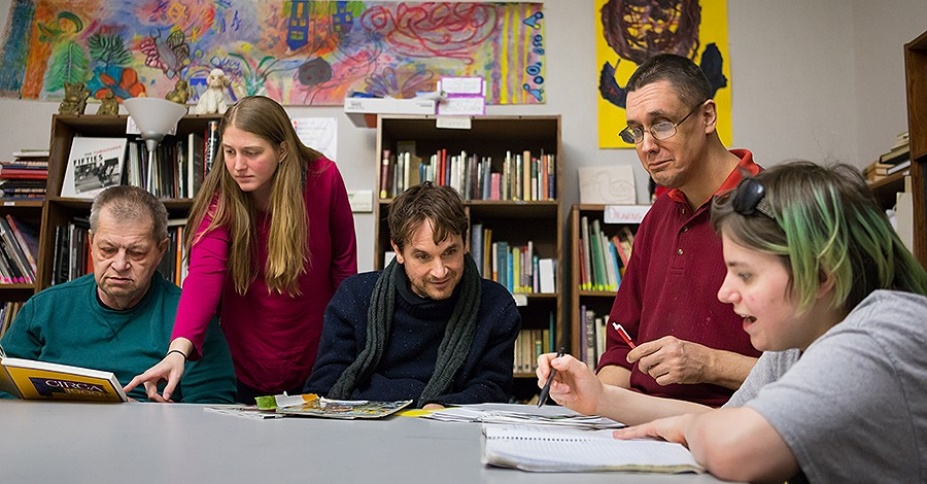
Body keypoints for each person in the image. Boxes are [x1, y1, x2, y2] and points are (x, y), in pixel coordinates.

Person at [544, 162, 927, 482]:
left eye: (745, 275)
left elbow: (734, 446)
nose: (725, 293)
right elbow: (725, 421)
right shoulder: (799, 341)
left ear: (822, 275)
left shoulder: (880, 335)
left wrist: (689, 429)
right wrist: (601, 397)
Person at [126, 96, 358, 403]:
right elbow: (204, 274)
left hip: (316, 351)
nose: (238, 165)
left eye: (251, 152)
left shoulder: (324, 177)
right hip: (243, 356)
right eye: (229, 151)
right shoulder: (220, 194)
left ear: (282, 150)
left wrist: (346, 343)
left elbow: (344, 264)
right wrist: (178, 351)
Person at [596, 53, 760, 406]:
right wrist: (594, 401)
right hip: (643, 419)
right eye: (636, 131)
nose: (647, 146)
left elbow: (812, 368)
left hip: (732, 422)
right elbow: (621, 348)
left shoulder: (775, 206)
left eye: (661, 125)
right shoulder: (659, 215)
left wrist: (710, 364)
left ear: (707, 116)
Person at [0, 186, 236, 403]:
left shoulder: (191, 321)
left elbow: (213, 408)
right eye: (107, 250)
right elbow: (4, 389)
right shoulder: (44, 309)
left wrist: (147, 417)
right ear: (91, 243)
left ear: (161, 250)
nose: (120, 264)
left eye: (137, 252)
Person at [304, 183, 521, 409]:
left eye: (450, 252)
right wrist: (427, 401)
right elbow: (325, 387)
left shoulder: (496, 306)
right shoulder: (355, 297)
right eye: (423, 257)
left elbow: (492, 391)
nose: (440, 271)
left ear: (465, 244)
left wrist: (434, 407)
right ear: (398, 251)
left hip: (452, 429)